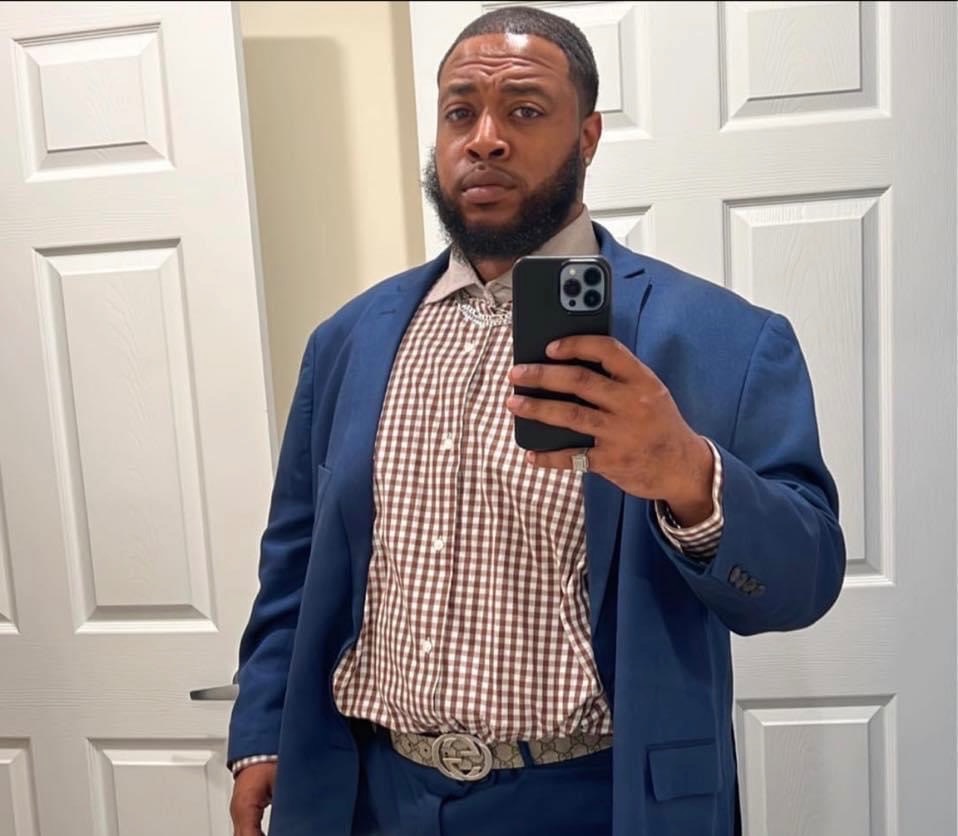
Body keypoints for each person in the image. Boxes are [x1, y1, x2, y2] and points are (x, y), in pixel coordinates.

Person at [227, 6, 845, 836]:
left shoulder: (721, 340)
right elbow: (295, 562)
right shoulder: (349, 340)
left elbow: (804, 582)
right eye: (460, 112)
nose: (484, 139)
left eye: (523, 110)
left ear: (587, 137)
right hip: (373, 794)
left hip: (596, 801)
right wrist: (263, 729)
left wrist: (689, 476)